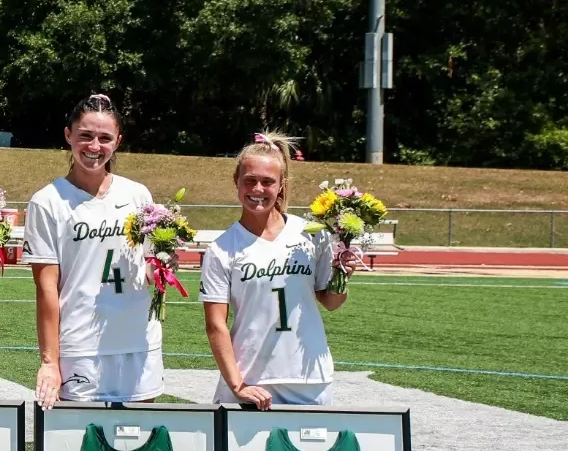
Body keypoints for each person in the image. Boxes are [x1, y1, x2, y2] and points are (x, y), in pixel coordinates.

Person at [27, 93, 164, 406]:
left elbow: (150, 264)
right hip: (81, 345)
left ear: (118, 141)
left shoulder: (137, 194)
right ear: (68, 135)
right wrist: (50, 362)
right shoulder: (47, 201)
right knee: (77, 446)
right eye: (85, 136)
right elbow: (46, 289)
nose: (94, 147)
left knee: (140, 441)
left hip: (137, 342)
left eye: (104, 138)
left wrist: (163, 268)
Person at [201, 133, 350, 407]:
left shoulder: (311, 234)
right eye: (250, 180)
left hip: (309, 376)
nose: (258, 189)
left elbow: (331, 302)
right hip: (250, 379)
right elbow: (215, 325)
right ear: (236, 182)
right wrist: (237, 384)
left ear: (281, 185)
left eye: (268, 181)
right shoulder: (221, 249)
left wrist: (342, 274)